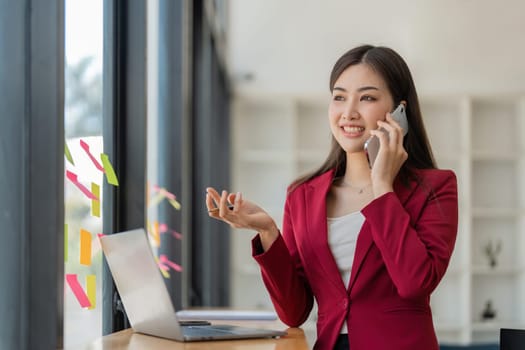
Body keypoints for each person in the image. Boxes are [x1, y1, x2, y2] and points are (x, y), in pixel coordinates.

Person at [205, 44, 458, 350]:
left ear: (398, 112)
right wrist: (269, 232)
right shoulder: (302, 195)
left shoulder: (435, 187)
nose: (348, 112)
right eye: (339, 97)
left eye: (367, 97)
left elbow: (415, 284)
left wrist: (382, 186)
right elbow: (294, 312)